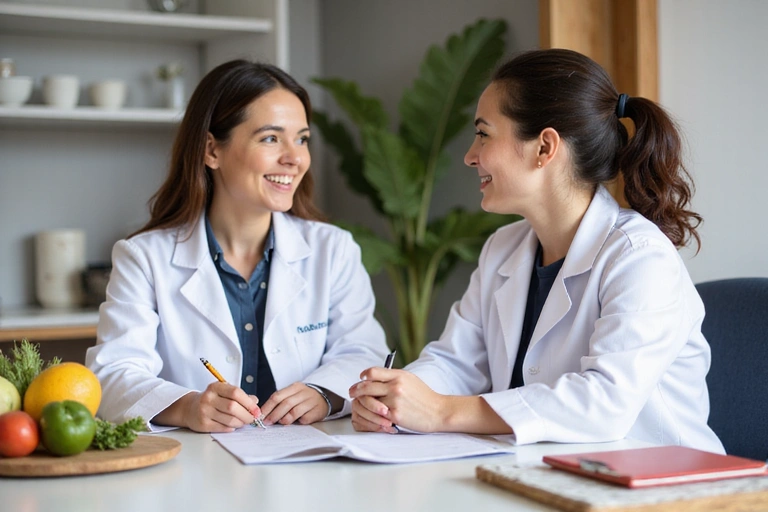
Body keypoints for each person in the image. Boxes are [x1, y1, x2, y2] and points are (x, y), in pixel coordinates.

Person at [349, 48, 724, 453]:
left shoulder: (639, 257)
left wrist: (440, 411)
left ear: (544, 148)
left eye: (483, 134)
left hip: (664, 486)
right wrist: (395, 400)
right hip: (546, 474)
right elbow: (456, 362)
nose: (470, 156)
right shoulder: (503, 248)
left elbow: (602, 404)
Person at [86, 60, 389, 433]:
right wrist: (188, 407)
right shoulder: (144, 258)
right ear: (211, 150)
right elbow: (113, 373)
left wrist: (323, 393)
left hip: (309, 462)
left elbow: (363, 352)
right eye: (270, 138)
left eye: (302, 138)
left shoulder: (333, 249)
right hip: (196, 468)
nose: (295, 159)